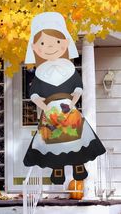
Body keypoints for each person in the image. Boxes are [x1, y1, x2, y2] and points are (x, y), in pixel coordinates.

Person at [23, 12, 106, 184]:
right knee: (54, 140)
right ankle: (57, 169)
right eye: (43, 43)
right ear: (36, 47)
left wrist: (73, 101)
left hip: (69, 109)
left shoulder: (69, 69)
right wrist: (44, 107)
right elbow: (34, 94)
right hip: (51, 111)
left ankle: (79, 165)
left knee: (76, 138)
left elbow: (78, 87)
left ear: (65, 43)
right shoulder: (39, 73)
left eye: (57, 42)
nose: (50, 47)